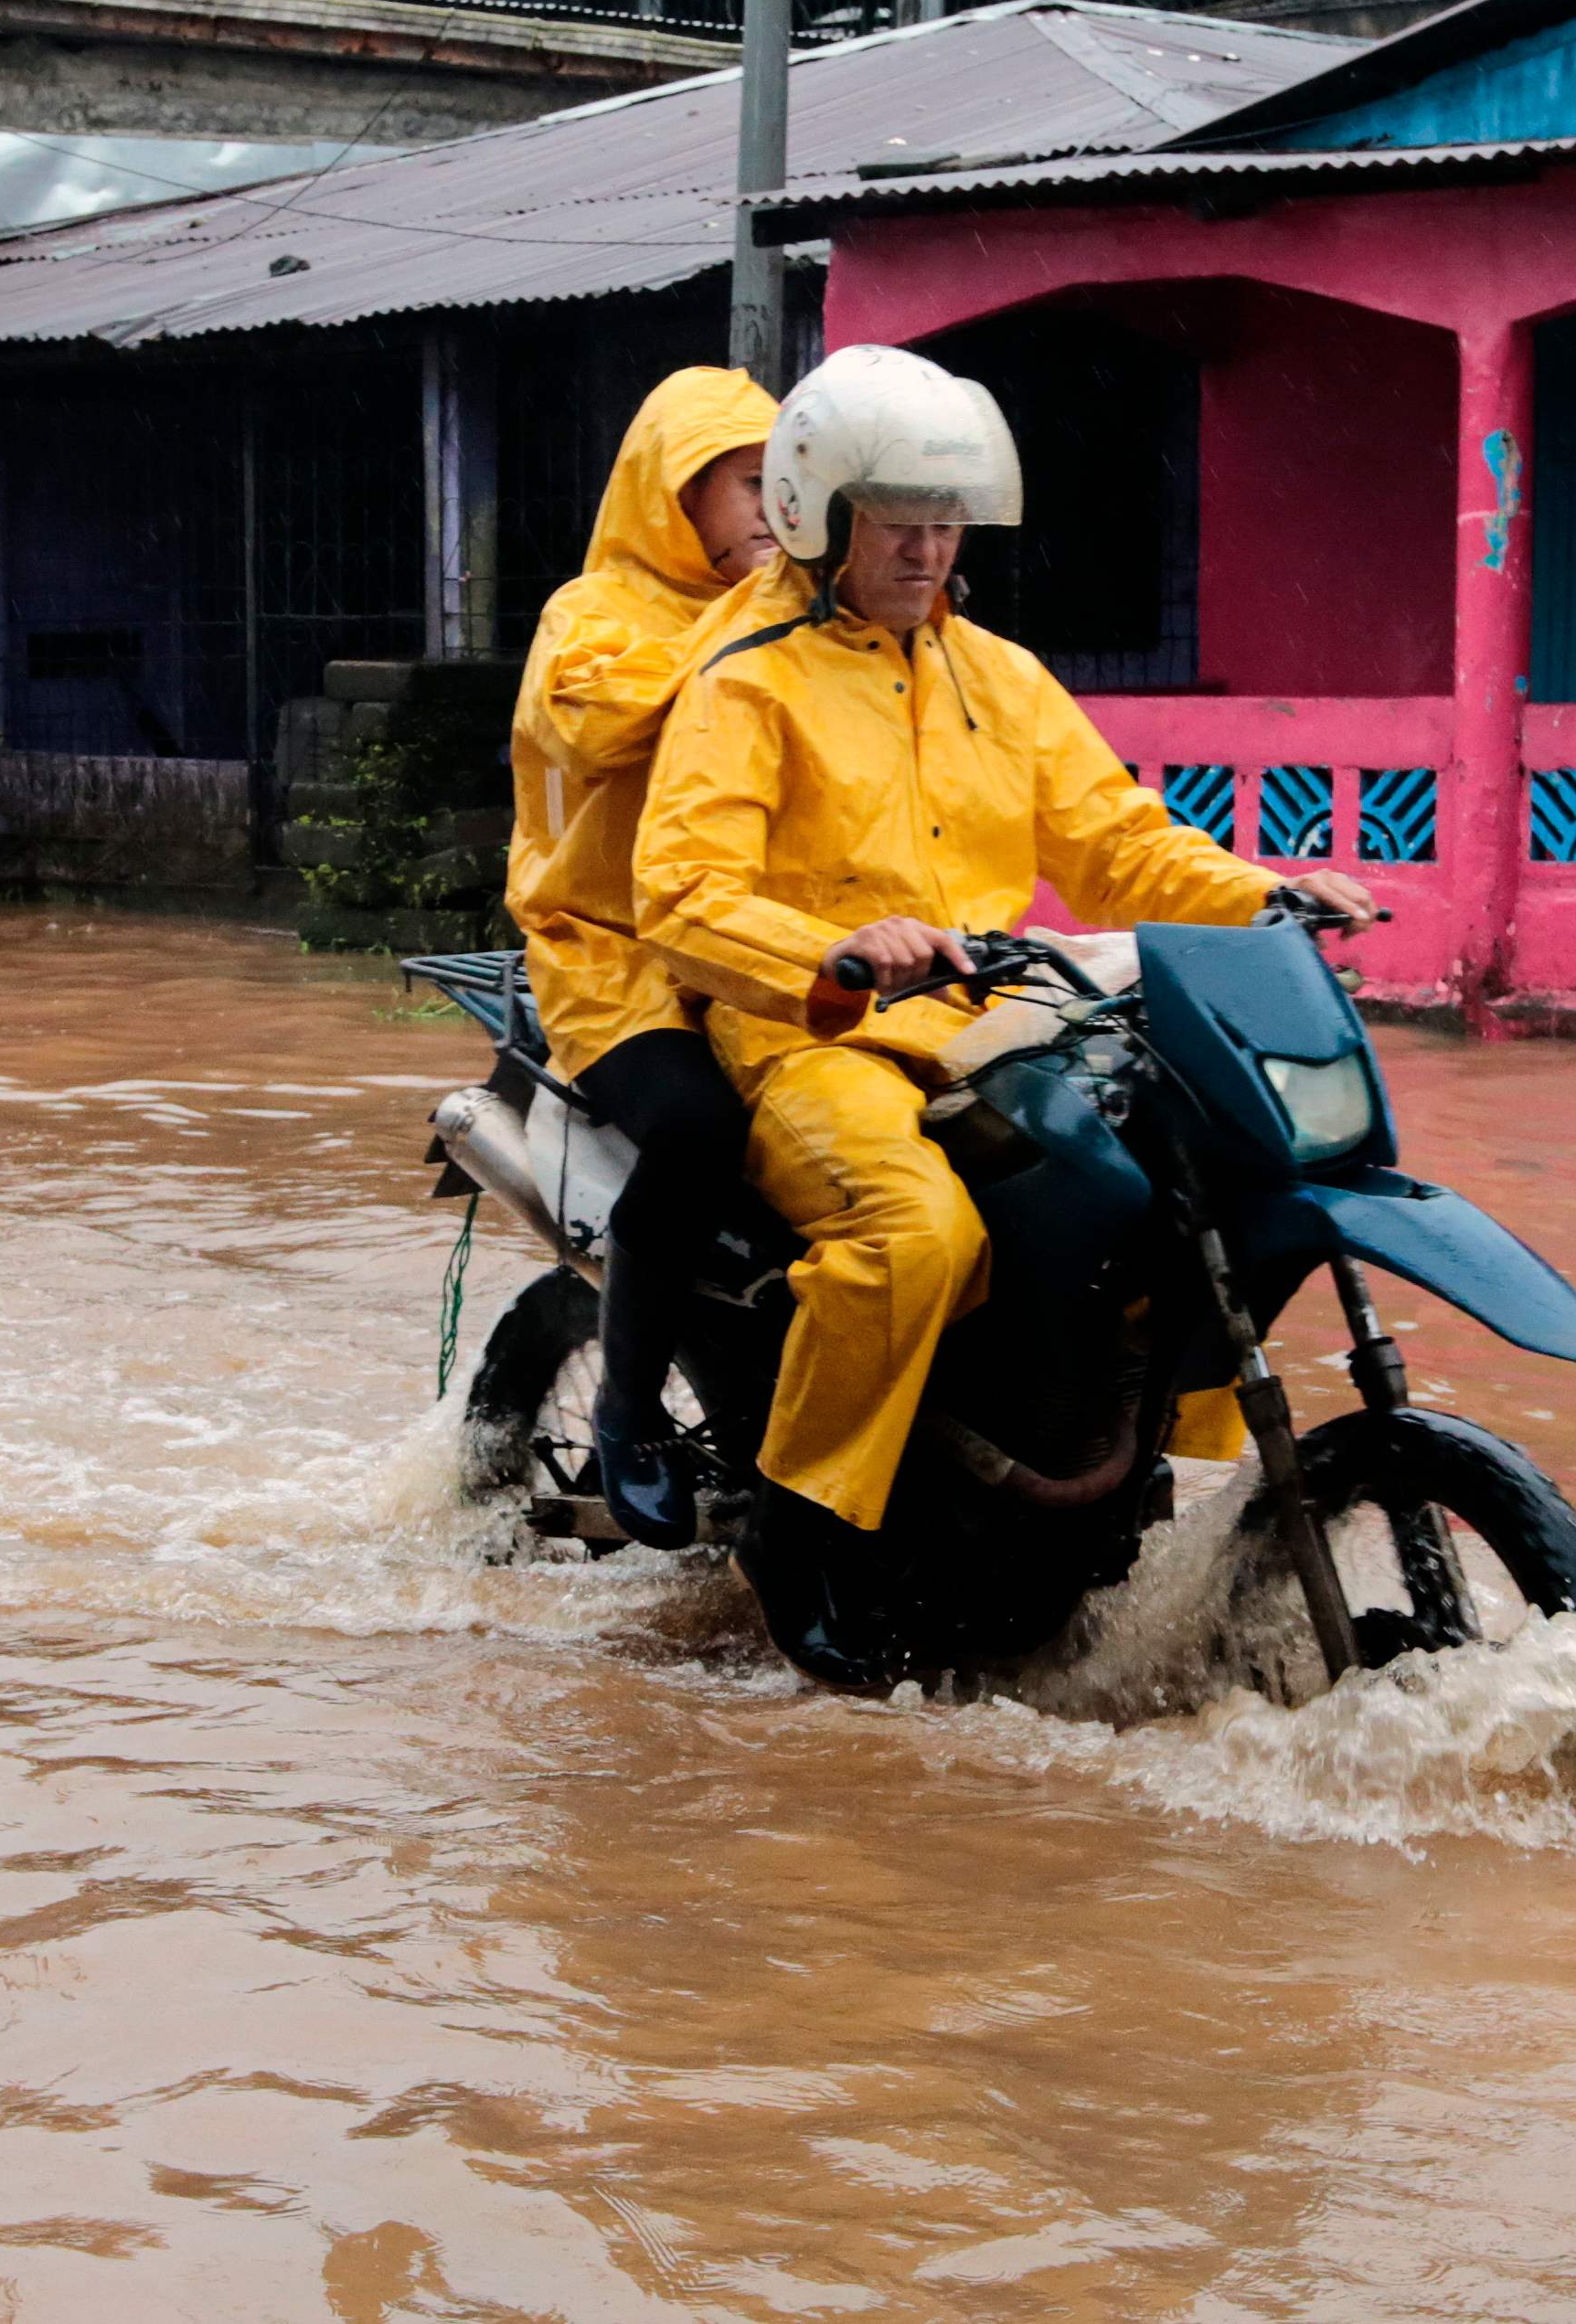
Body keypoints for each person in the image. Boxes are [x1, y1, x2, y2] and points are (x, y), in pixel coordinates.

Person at [631, 345, 1380, 1585]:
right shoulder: (746, 681)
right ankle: (800, 1537)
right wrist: (836, 947)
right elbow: (682, 898)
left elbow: (1117, 844)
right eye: (897, 527)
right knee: (914, 1239)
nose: (927, 553)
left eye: (945, 525)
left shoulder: (1001, 677)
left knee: (1187, 1176)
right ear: (820, 520)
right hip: (816, 1033)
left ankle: (1104, 1465)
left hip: (1004, 1018)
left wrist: (1264, 891)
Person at [504, 365, 783, 1548]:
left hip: (757, 944)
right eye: (748, 485)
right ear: (673, 496)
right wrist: (753, 611)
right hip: (610, 954)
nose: (774, 510)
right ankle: (627, 1409)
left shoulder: (797, 621)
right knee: (700, 1132)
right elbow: (598, 724)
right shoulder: (591, 616)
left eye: (791, 485)